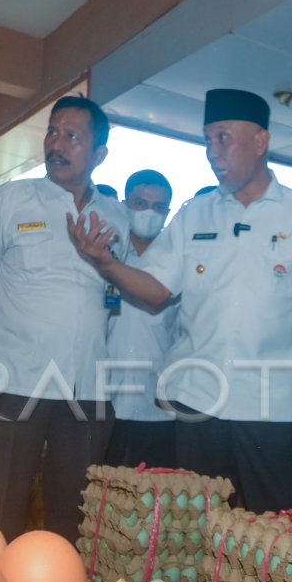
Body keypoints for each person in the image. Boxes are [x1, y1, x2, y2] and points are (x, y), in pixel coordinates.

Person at [70, 88, 292, 514]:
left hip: (272, 407)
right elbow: (156, 288)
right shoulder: (193, 214)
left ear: (261, 141)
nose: (212, 153)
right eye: (207, 140)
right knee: (196, 529)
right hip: (198, 403)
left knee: (274, 526)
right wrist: (105, 263)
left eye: (223, 138)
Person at [0, 95, 128, 542]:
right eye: (52, 132)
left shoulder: (116, 216)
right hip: (13, 379)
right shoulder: (12, 199)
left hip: (87, 389)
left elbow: (116, 293)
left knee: (73, 515)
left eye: (72, 136)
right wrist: (26, 325)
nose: (57, 143)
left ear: (99, 155)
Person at [104, 169, 179, 470]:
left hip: (158, 406)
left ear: (168, 212)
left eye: (159, 207)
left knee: (153, 498)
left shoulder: (176, 261)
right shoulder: (105, 254)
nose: (149, 212)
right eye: (140, 203)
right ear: (124, 204)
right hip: (105, 399)